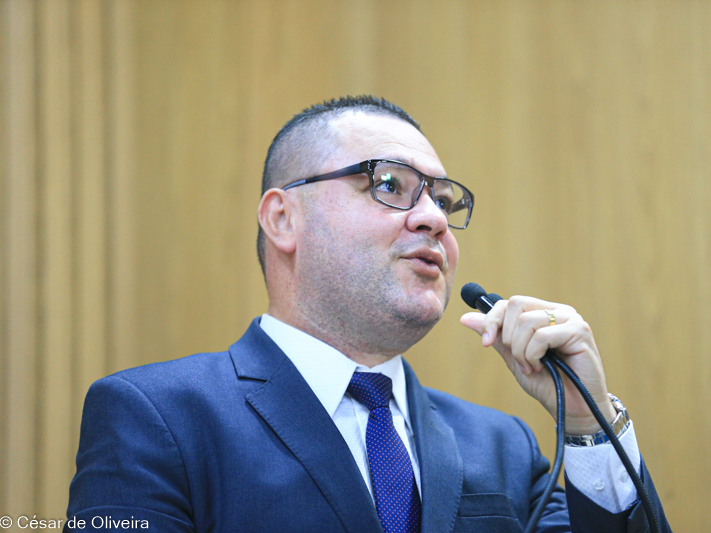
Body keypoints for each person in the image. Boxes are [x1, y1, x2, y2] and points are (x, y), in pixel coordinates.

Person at [66, 96, 671, 532]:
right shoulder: (158, 418)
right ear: (283, 218)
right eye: (388, 184)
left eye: (443, 200)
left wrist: (588, 419)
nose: (433, 218)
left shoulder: (501, 446)